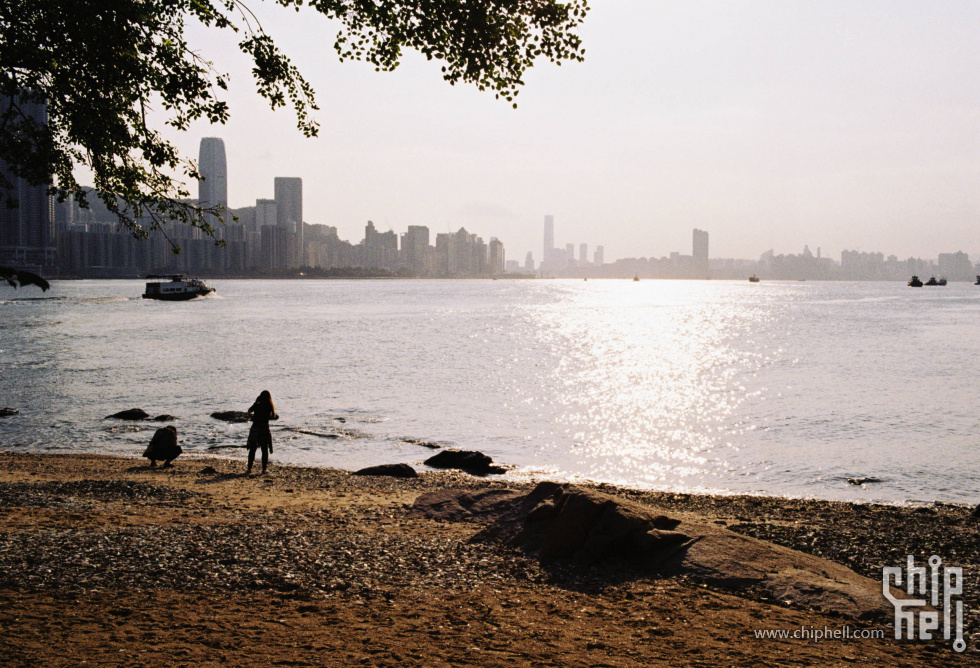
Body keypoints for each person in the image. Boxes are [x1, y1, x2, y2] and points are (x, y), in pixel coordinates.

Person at [246, 390, 278, 475]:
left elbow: (249, 411)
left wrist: (253, 413)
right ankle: (264, 470)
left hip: (255, 428)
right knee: (264, 450)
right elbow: (274, 416)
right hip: (264, 429)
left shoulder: (257, 405)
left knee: (252, 449)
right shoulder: (269, 405)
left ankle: (249, 469)